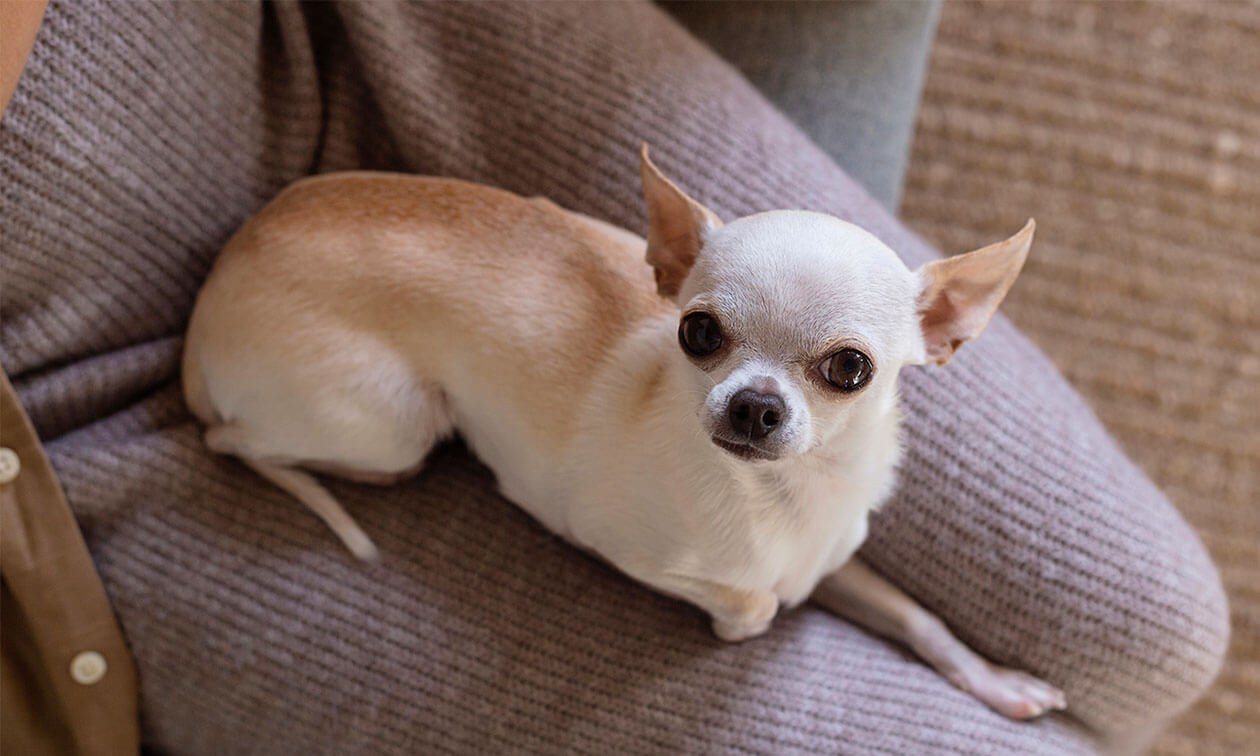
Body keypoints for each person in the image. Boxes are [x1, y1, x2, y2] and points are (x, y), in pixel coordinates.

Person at [0, 2, 1227, 754]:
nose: (757, 398)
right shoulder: (685, 452)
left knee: (1160, 629)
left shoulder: (854, 322)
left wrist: (947, 650)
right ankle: (258, 434)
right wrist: (739, 598)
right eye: (708, 336)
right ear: (675, 269)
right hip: (207, 375)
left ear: (943, 327)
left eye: (840, 370)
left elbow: (797, 546)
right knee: (392, 442)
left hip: (332, 83)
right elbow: (584, 507)